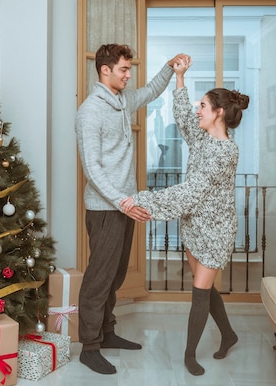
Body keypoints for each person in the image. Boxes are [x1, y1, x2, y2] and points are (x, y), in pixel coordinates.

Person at [120, 56, 250, 376]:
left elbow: (191, 193)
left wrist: (144, 203)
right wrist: (179, 77)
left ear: (218, 112)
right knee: (203, 286)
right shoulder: (204, 137)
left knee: (200, 292)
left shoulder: (225, 151)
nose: (197, 109)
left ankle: (189, 355)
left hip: (215, 230)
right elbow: (183, 118)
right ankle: (229, 334)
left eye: (203, 105)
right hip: (194, 224)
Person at [75, 43, 188, 375]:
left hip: (126, 205)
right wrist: (122, 200)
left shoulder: (122, 101)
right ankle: (89, 346)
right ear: (105, 70)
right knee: (99, 277)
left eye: (129, 69)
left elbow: (152, 90)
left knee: (117, 273)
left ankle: (107, 333)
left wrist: (169, 67)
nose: (128, 75)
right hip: (106, 207)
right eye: (123, 69)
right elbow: (92, 168)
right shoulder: (90, 111)